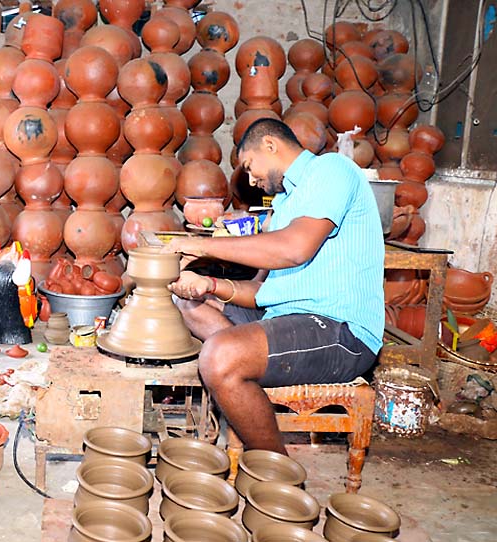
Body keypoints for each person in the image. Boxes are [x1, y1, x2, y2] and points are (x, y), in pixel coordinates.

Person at [163, 118, 384, 455]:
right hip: (287, 319)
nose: (252, 180)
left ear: (270, 144)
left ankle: (277, 475)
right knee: (190, 305)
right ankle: (244, 383)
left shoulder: (331, 171)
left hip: (341, 331)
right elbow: (259, 294)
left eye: (250, 166)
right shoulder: (283, 206)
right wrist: (206, 284)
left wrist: (202, 246)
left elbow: (294, 250)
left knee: (219, 357)